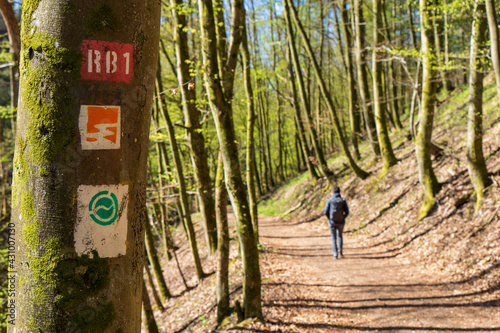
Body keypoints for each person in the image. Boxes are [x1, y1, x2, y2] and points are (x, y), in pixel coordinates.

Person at [323, 186, 349, 259]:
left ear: (332, 192)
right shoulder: (343, 201)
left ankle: (335, 254)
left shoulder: (330, 200)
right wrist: (343, 218)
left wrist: (330, 218)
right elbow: (347, 212)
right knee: (340, 236)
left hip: (332, 222)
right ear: (339, 192)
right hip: (341, 222)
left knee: (333, 238)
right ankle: (340, 252)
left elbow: (325, 211)